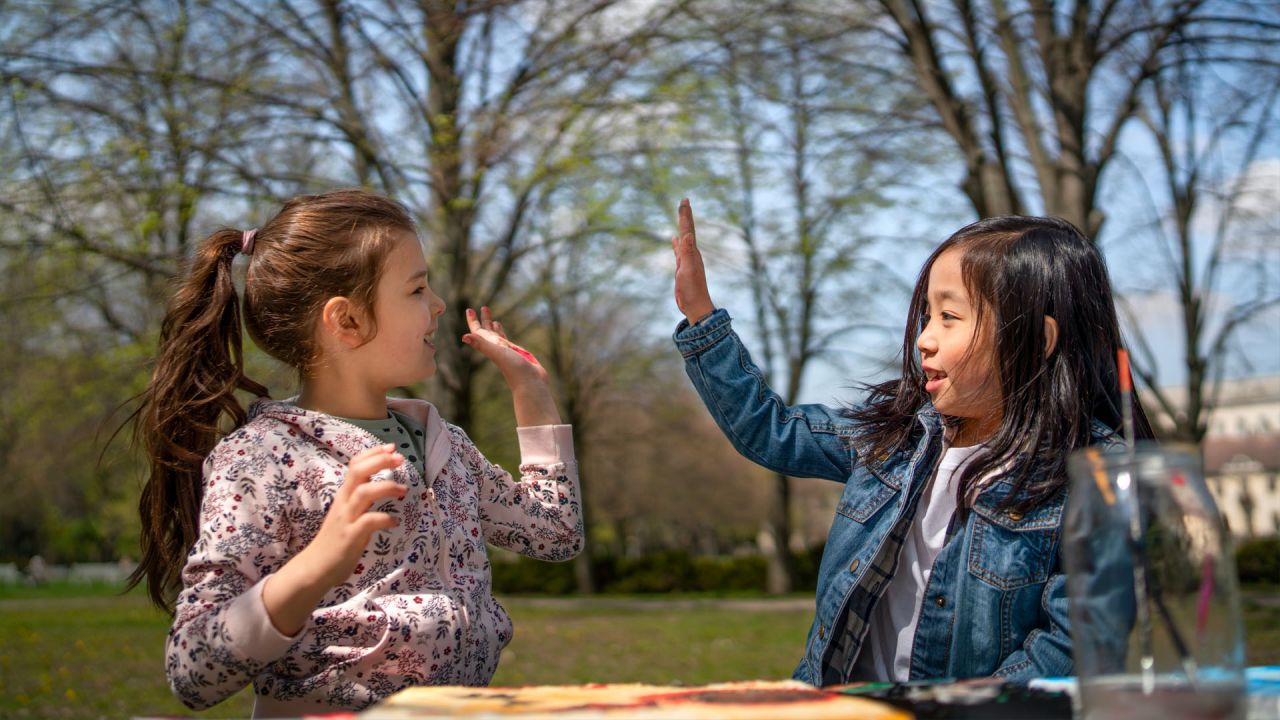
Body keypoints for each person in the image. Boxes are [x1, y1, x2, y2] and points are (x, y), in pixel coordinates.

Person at [129, 189, 583, 717]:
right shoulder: (264, 459)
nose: (437, 304)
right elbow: (193, 670)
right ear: (345, 322)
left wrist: (531, 390)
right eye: (416, 289)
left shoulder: (445, 444)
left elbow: (555, 533)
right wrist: (319, 563)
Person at [669, 199, 1151, 685]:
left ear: (1036, 339)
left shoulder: (1095, 479)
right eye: (926, 315)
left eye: (949, 317)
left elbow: (1071, 649)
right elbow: (771, 431)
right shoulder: (895, 439)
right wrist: (700, 317)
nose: (924, 338)